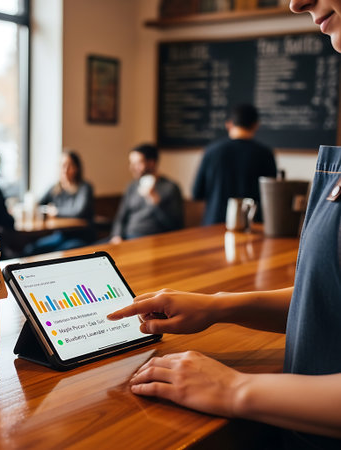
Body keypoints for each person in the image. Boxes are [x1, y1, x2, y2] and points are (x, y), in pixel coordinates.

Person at [107, 1, 341, 448]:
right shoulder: (266, 152)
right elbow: (329, 302)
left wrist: (235, 389)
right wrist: (217, 307)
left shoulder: (211, 151)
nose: (296, 3)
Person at [192, 103, 277, 225]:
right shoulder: (265, 154)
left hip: (213, 225)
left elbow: (197, 193)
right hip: (252, 226)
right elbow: (270, 196)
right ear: (255, 125)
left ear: (229, 124)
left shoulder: (211, 151)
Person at [24, 150, 95, 255]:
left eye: (69, 166)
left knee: (57, 253)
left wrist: (56, 211)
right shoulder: (55, 188)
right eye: (62, 166)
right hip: (61, 235)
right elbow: (39, 203)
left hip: (81, 236)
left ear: (77, 168)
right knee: (31, 249)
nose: (65, 170)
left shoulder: (84, 188)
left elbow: (78, 211)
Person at [110, 143, 183, 244]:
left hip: (153, 241)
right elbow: (120, 217)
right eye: (131, 163)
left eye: (137, 163)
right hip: (125, 238)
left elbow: (176, 225)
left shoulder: (170, 188)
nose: (132, 168)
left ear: (151, 163)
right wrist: (117, 235)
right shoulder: (132, 186)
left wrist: (156, 202)